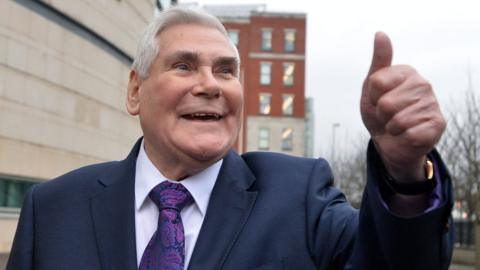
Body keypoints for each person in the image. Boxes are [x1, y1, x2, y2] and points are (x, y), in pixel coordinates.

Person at [7, 6, 453, 270]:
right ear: (135, 90)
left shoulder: (299, 195)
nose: (211, 84)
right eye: (184, 66)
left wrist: (404, 172)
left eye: (225, 70)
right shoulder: (53, 208)